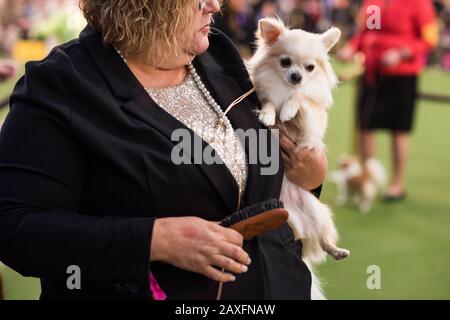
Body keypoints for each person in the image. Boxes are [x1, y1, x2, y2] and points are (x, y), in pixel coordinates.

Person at [0, 0, 327, 300]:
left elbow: (253, 174)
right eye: (199, 0)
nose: (214, 6)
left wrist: (310, 175)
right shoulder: (60, 85)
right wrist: (152, 240)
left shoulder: (219, 55)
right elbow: (15, 226)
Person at [339, 0, 437, 201]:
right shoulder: (374, 3)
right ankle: (367, 178)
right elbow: (367, 32)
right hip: (372, 72)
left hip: (402, 75)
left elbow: (429, 39)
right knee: (365, 125)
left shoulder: (419, 3)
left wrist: (403, 53)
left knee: (398, 129)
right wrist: (352, 47)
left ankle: (397, 183)